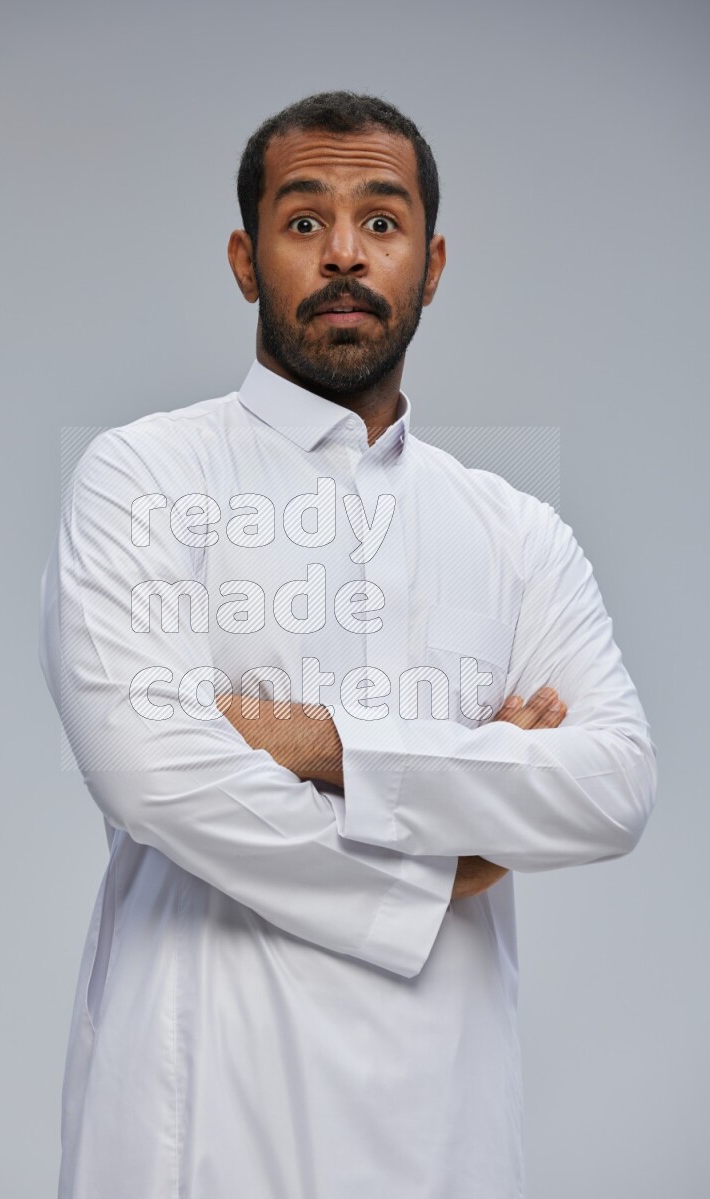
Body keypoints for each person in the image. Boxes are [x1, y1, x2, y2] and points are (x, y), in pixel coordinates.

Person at [39, 91, 657, 1199]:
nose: (342, 254)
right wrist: (452, 845)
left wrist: (317, 744)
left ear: (430, 263)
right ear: (244, 259)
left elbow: (610, 784)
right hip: (196, 1115)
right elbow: (153, 770)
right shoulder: (144, 477)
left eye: (380, 222)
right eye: (301, 220)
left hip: (444, 1126)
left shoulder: (514, 533)